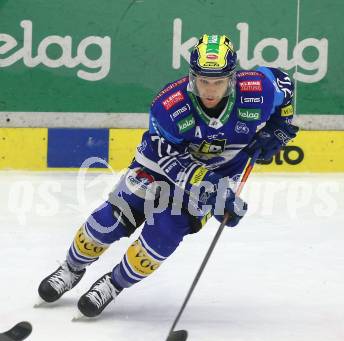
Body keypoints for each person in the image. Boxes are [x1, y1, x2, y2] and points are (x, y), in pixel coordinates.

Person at [38, 34, 299, 317]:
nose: (210, 90)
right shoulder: (170, 104)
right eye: (203, 81)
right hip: (158, 167)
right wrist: (208, 188)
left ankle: (112, 285)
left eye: (219, 82)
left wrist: (279, 126)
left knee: (162, 236)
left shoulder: (257, 89)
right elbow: (166, 156)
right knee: (108, 222)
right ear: (192, 77)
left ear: (233, 78)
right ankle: (71, 268)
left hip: (221, 172)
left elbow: (285, 85)